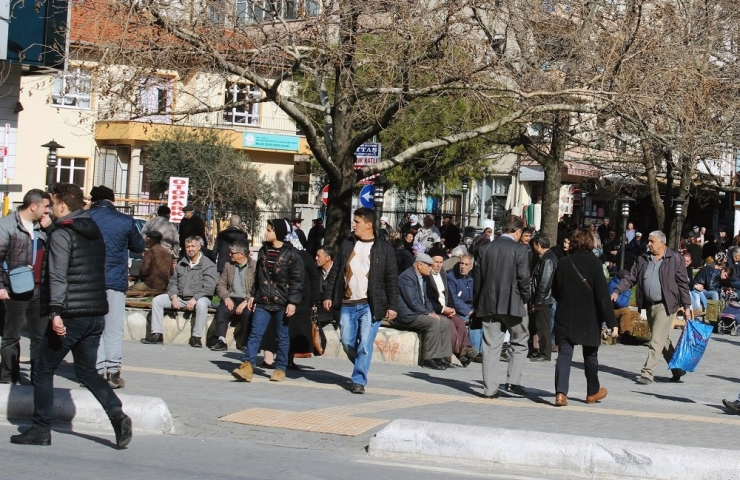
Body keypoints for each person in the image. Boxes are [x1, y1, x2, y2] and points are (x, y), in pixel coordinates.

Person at [10, 182, 132, 448]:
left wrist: (55, 313)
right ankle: (118, 414)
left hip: (68, 315)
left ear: (62, 206)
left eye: (52, 204)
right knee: (87, 372)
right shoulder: (92, 228)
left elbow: (58, 275)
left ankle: (41, 429)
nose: (49, 209)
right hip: (95, 313)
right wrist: (51, 228)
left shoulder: (62, 235)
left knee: (42, 369)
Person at [323, 207, 398, 394]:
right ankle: (361, 363)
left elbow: (391, 278)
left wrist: (392, 305)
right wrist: (327, 295)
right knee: (347, 341)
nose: (353, 225)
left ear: (369, 225)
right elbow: (335, 271)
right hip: (348, 303)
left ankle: (359, 380)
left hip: (370, 305)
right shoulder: (347, 244)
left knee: (365, 343)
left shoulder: (385, 249)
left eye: (357, 222)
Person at [611, 230, 693, 384]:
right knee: (662, 339)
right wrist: (617, 290)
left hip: (666, 305)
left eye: (651, 241)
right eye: (648, 241)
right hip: (648, 305)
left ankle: (647, 373)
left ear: (662, 243)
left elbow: (683, 283)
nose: (648, 244)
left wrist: (687, 306)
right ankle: (678, 368)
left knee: (655, 339)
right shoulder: (643, 259)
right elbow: (631, 277)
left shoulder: (675, 259)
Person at [88, 185, 146, 389]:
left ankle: (95, 371)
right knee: (113, 327)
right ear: (113, 200)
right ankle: (113, 372)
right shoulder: (126, 221)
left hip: (89, 282)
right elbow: (139, 246)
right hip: (115, 281)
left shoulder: (85, 218)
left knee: (94, 328)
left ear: (92, 200)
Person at [551, 227, 618, 407]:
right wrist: (612, 323)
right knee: (590, 356)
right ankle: (592, 392)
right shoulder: (595, 264)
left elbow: (555, 290)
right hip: (589, 317)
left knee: (564, 354)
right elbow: (603, 297)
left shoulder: (563, 263)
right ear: (590, 243)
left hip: (565, 315)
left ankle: (560, 393)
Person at [231, 219, 304, 383]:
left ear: (277, 233)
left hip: (282, 302)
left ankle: (280, 369)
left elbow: (298, 281)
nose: (266, 232)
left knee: (282, 337)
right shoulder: (264, 251)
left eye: (269, 230)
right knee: (255, 333)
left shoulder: (292, 255)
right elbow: (258, 276)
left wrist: (292, 301)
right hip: (263, 300)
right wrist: (252, 295)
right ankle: (247, 366)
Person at [474, 215, 531, 399]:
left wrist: (477, 303)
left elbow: (478, 279)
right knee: (521, 340)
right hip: (514, 303)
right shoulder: (521, 250)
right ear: (517, 231)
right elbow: (524, 278)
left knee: (491, 346)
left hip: (489, 302)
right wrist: (526, 298)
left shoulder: (485, 249)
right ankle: (513, 382)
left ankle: (490, 390)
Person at [0, 189, 51, 384]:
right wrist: (1, 286)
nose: (48, 211)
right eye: (45, 207)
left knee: (39, 337)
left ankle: (38, 379)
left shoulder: (43, 227)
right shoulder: (7, 226)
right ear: (33, 206)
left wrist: (50, 229)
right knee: (11, 336)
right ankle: (8, 378)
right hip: (14, 290)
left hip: (40, 289)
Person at [261, 226, 320, 370]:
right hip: (281, 297)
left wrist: (314, 300)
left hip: (298, 300)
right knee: (274, 328)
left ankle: (288, 360)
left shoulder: (302, 256)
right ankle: (270, 359)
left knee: (291, 331)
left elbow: (313, 278)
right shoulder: (276, 253)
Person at [142, 236, 218, 347]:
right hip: (181, 297)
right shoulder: (181, 263)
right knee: (157, 300)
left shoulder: (208, 265)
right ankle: (157, 334)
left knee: (202, 304)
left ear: (199, 247)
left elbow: (209, 287)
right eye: (188, 246)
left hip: (200, 297)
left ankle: (196, 337)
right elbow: (173, 283)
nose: (190, 249)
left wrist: (195, 299)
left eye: (193, 246)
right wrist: (173, 297)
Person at [396, 253, 454, 370]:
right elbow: (412, 301)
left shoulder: (423, 278)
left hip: (418, 312)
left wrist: (431, 312)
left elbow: (426, 299)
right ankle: (429, 358)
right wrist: (427, 314)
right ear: (419, 265)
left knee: (445, 322)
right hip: (408, 314)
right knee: (433, 323)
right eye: (428, 265)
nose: (431, 268)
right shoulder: (407, 277)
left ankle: (442, 357)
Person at [427, 246, 479, 367]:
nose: (439, 265)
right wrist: (444, 309)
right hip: (436, 309)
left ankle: (468, 350)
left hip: (447, 309)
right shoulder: (429, 276)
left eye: (441, 262)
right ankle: (460, 354)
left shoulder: (442, 275)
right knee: (450, 325)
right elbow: (429, 298)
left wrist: (450, 308)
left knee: (460, 323)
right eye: (437, 262)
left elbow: (448, 296)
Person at [209, 240, 255, 352]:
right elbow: (221, 284)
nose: (230, 255)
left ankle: (244, 343)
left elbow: (257, 287)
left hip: (247, 299)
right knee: (222, 309)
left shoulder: (254, 266)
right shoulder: (228, 265)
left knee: (248, 313)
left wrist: (246, 300)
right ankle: (221, 340)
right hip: (232, 298)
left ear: (241, 254)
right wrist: (226, 297)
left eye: (232, 253)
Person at [529, 234, 557, 362]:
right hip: (544, 297)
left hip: (545, 298)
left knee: (543, 326)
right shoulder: (546, 258)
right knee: (540, 325)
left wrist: (538, 301)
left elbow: (544, 282)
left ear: (538, 245)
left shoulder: (547, 260)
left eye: (534, 245)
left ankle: (545, 352)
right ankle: (541, 350)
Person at [447, 253, 481, 356]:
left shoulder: (475, 276)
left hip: (473, 307)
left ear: (471, 267)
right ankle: (476, 352)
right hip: (458, 309)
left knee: (483, 320)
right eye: (462, 263)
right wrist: (468, 311)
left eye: (466, 265)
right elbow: (454, 298)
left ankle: (483, 352)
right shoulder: (451, 276)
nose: (463, 267)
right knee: (474, 321)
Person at [127, 231, 172, 295]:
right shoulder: (167, 252)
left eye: (148, 239)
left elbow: (144, 270)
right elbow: (171, 270)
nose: (146, 241)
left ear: (153, 240)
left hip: (151, 285)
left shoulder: (151, 252)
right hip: (164, 285)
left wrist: (143, 279)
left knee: (131, 289)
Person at [315, 245, 337, 325]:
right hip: (319, 307)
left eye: (318, 256)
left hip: (333, 308)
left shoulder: (338, 272)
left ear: (328, 258)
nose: (316, 258)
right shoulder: (316, 272)